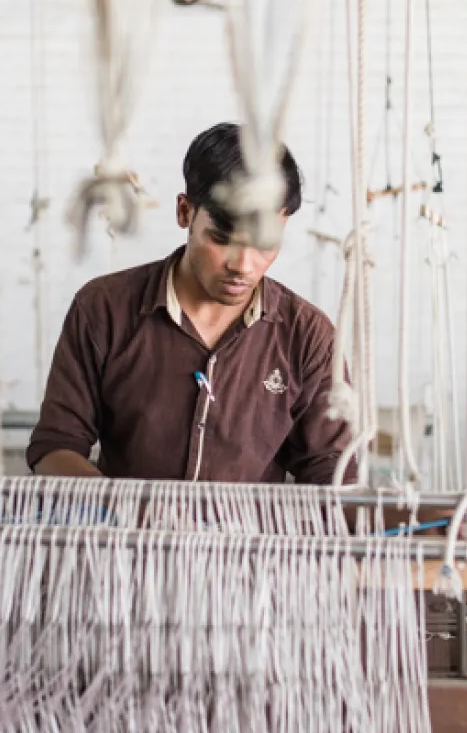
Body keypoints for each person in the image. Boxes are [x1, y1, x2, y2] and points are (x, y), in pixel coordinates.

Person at [27, 123, 354, 484]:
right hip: (128, 536)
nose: (243, 266)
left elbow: (333, 471)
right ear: (185, 212)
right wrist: (120, 512)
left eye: (265, 244)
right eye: (220, 239)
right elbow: (56, 447)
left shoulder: (308, 336)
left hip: (250, 541)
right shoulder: (104, 310)